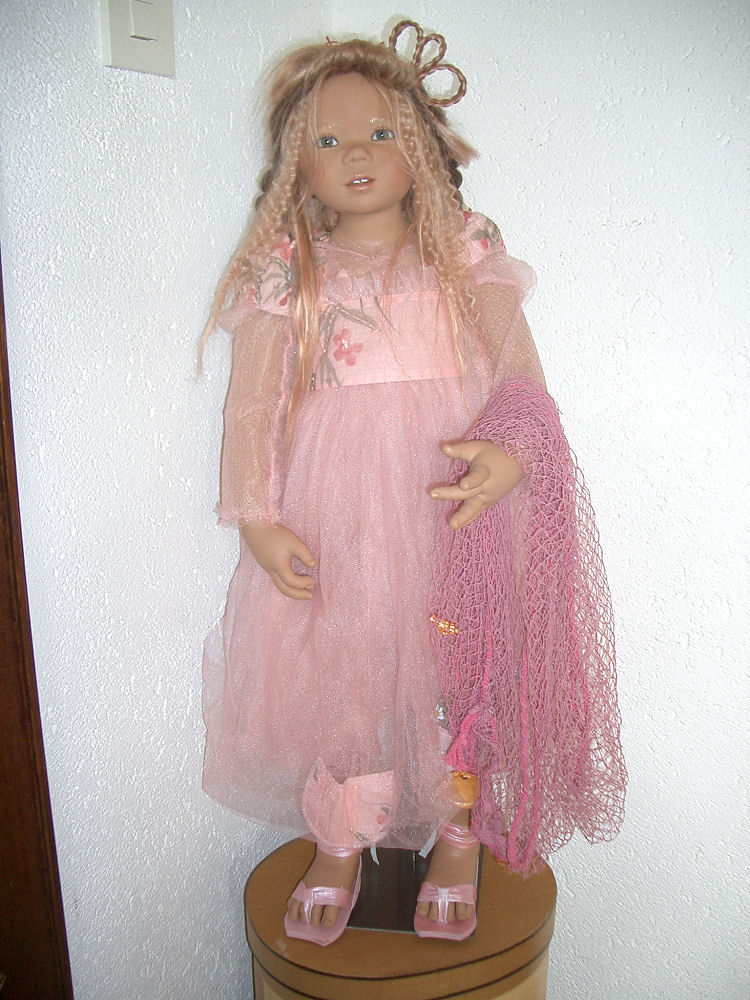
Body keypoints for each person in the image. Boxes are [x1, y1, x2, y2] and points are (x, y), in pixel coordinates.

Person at [200, 20, 626, 947]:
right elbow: (253, 405)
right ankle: (342, 836)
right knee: (344, 672)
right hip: (339, 507)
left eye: (381, 132)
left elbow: (518, 369)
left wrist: (514, 450)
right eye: (328, 138)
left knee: (457, 664)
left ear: (422, 147)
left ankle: (459, 830)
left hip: (454, 497)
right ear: (295, 165)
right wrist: (258, 516)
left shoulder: (461, 250)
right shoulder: (289, 272)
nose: (356, 154)